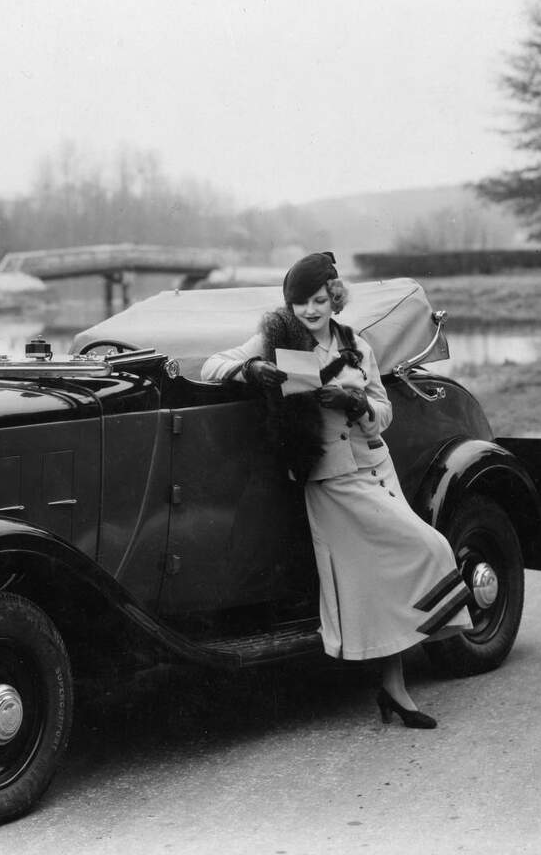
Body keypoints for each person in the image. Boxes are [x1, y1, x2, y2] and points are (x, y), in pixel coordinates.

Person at [200, 252, 471, 728]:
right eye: (299, 303)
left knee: (382, 578)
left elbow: (384, 413)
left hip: (374, 467)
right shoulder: (276, 338)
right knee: (426, 548)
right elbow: (211, 366)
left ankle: (394, 690)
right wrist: (252, 371)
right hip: (330, 479)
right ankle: (395, 687)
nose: (310, 311)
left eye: (319, 300)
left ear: (335, 297)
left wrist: (355, 401)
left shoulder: (356, 345)